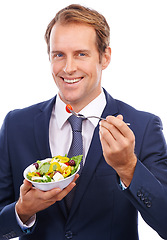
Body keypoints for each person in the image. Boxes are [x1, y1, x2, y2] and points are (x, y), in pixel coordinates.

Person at [0, 4, 167, 240]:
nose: (68, 68)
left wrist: (129, 168)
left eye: (81, 54)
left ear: (105, 57)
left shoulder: (143, 126)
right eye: (58, 55)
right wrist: (22, 211)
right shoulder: (16, 125)